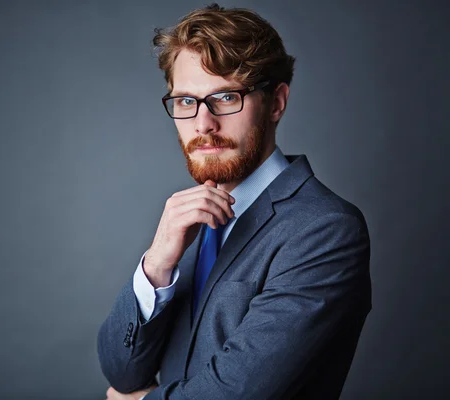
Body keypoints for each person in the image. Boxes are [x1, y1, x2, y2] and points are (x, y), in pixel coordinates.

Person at [97, 4, 371, 399]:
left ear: (276, 103)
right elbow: (120, 373)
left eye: (225, 97)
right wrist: (156, 266)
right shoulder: (186, 224)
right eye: (186, 101)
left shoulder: (325, 229)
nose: (203, 123)